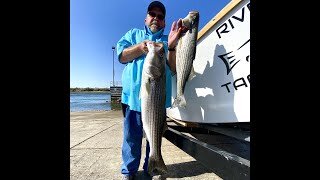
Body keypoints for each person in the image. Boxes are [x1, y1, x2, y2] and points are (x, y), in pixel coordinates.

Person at [116, 1, 187, 179]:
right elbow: (122, 56)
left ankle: (152, 168)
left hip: (156, 101)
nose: (156, 18)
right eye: (152, 14)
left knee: (153, 139)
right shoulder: (133, 34)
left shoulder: (168, 41)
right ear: (146, 18)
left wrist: (170, 46)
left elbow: (173, 68)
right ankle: (129, 171)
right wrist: (141, 47)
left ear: (164, 22)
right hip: (132, 99)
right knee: (131, 139)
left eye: (160, 16)